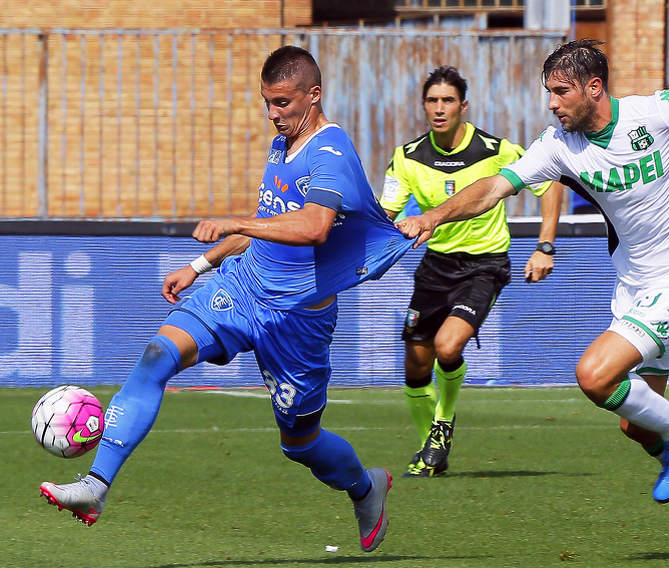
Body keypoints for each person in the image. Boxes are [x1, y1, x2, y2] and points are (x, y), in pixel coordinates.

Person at [397, 39, 669, 559]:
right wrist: (430, 217)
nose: (553, 104)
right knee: (635, 425)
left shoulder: (658, 112)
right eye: (549, 94)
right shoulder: (559, 144)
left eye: (561, 92)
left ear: (594, 87)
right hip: (635, 289)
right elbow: (494, 186)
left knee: (595, 375)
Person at [39, 45, 415, 553]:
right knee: (156, 357)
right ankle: (95, 487)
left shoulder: (332, 151)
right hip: (241, 288)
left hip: (298, 320)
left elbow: (312, 227)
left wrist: (236, 220)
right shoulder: (281, 146)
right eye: (266, 102)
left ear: (314, 94)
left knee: (300, 444)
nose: (272, 114)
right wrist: (199, 266)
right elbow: (270, 224)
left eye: (282, 102)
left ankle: (366, 488)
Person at [380, 65, 564, 477]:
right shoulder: (407, 158)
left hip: (484, 265)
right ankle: (431, 442)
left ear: (463, 105)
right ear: (424, 106)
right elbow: (387, 215)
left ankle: (443, 424)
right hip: (435, 267)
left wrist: (544, 246)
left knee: (448, 347)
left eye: (448, 100)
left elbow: (549, 184)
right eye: (432, 100)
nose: (439, 108)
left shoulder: (496, 150)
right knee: (415, 366)